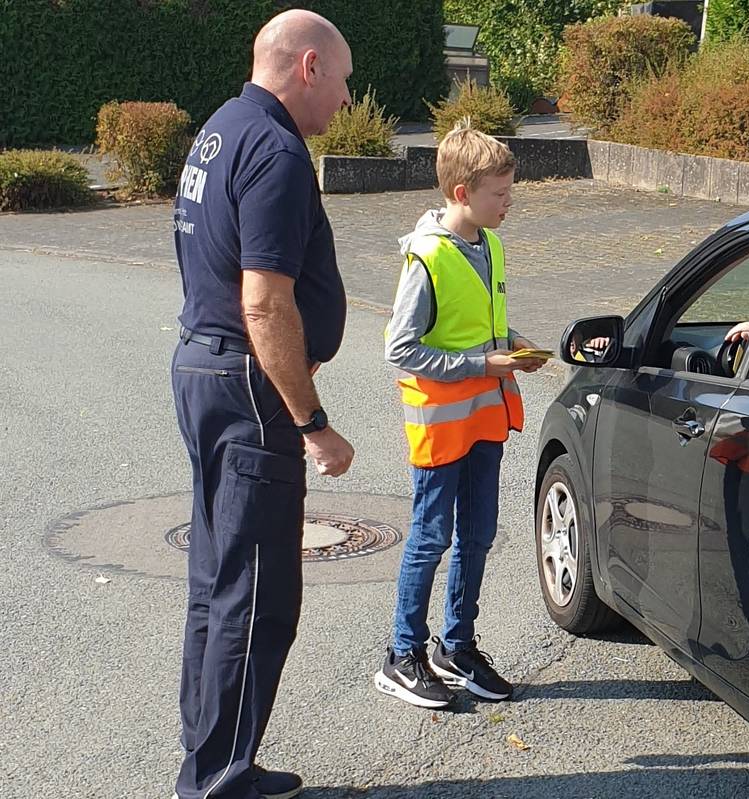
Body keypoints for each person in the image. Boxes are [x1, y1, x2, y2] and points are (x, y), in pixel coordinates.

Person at [169, 9, 354, 799]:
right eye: (343, 82)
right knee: (254, 591)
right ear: (308, 66)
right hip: (247, 385)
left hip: (204, 369)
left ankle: (211, 760)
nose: (346, 100)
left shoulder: (220, 129)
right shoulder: (276, 150)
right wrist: (312, 421)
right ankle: (219, 780)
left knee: (219, 577)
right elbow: (265, 304)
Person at [375, 120, 546, 709]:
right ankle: (403, 653)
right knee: (430, 537)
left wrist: (515, 345)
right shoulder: (426, 257)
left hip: (484, 420)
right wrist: (482, 363)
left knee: (478, 535)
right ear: (462, 194)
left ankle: (457, 646)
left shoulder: (490, 244)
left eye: (509, 192)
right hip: (442, 424)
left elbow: (484, 323)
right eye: (500, 194)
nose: (508, 204)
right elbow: (401, 348)